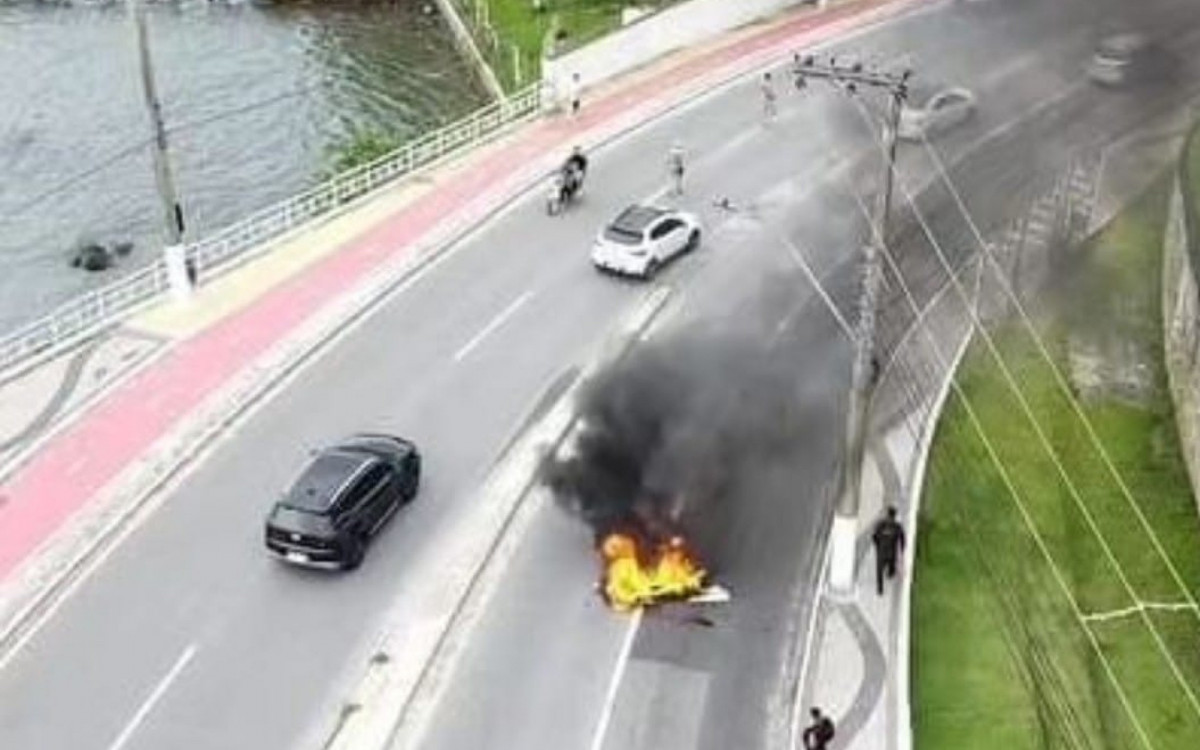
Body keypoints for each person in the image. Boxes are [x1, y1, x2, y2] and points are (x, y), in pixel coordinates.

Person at [872, 505, 907, 596]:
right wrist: (902, 550)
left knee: (879, 570)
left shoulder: (881, 525)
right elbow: (902, 539)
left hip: (881, 552)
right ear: (895, 516)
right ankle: (890, 574)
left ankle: (880, 590)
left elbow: (874, 536)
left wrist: (878, 546)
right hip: (892, 552)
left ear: (887, 514)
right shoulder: (897, 527)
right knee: (892, 565)